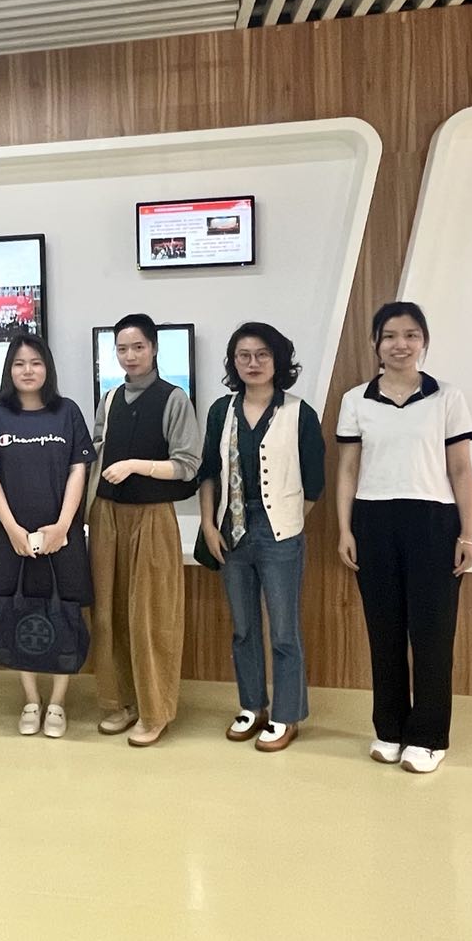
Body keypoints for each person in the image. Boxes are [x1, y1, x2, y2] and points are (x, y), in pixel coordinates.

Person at [336, 301, 472, 774]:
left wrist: (468, 534)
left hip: (434, 522)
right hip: (373, 520)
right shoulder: (356, 400)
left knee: (433, 634)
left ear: (424, 342)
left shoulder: (447, 397)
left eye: (411, 335)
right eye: (391, 336)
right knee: (385, 632)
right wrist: (345, 529)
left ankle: (429, 737)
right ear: (375, 343)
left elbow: (461, 469)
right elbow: (348, 470)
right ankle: (390, 729)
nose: (401, 344)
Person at [197, 322, 325, 752]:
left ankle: (287, 714)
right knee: (243, 627)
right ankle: (252, 705)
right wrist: (208, 525)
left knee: (284, 630)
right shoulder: (221, 411)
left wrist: (287, 522)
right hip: (230, 528)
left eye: (262, 355)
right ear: (233, 362)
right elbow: (208, 472)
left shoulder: (299, 412)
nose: (252, 363)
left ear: (278, 360)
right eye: (243, 356)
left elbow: (315, 483)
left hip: (279, 531)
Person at [88, 313, 200, 746]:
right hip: (106, 517)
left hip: (152, 517)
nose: (130, 355)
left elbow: (187, 465)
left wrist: (137, 465)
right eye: (122, 348)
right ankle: (119, 702)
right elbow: (95, 453)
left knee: (150, 617)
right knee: (108, 613)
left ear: (154, 348)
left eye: (138, 347)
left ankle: (155, 712)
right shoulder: (110, 398)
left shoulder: (174, 399)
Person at [0, 334, 94, 738]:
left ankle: (58, 703)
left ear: (48, 368)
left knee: (67, 609)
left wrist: (62, 526)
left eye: (36, 362)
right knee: (17, 609)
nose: (27, 370)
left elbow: (79, 470)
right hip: (11, 534)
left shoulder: (67, 412)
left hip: (62, 535)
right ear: (9, 370)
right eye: (19, 363)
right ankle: (31, 699)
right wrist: (12, 528)